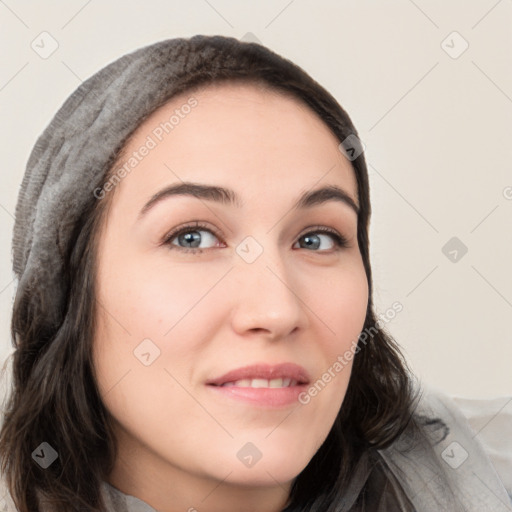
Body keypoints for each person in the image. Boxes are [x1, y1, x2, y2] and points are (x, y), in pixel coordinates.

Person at [0, 34, 510, 512]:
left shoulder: (477, 468)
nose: (278, 310)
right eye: (192, 237)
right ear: (66, 290)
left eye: (317, 239)